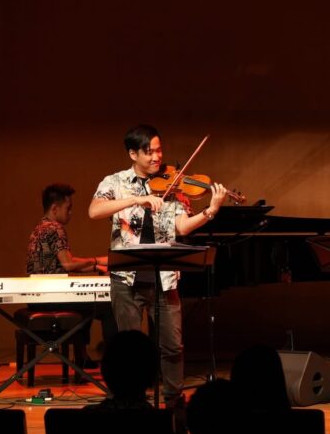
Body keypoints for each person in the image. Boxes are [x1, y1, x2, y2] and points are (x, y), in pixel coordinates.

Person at [89, 124, 228, 407]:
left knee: (173, 346)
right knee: (128, 347)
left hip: (164, 279)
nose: (156, 157)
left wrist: (211, 210)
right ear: (133, 154)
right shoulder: (114, 182)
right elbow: (94, 211)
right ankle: (131, 401)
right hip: (126, 279)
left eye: (159, 150)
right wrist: (136, 199)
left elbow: (182, 227)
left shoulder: (173, 185)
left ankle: (174, 402)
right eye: (149, 152)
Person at [27, 183, 117, 364]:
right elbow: (68, 264)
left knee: (88, 302)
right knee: (108, 307)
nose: (71, 213)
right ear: (55, 208)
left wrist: (97, 266)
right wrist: (97, 261)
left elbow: (64, 263)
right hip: (52, 298)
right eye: (68, 208)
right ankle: (114, 361)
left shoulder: (39, 229)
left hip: (37, 297)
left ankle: (82, 356)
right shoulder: (55, 228)